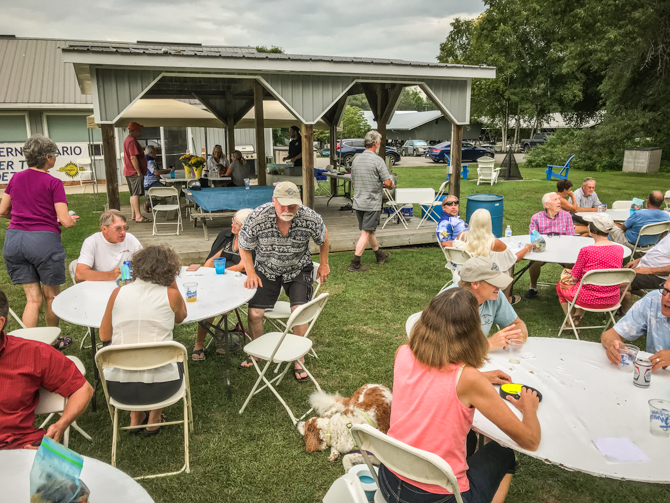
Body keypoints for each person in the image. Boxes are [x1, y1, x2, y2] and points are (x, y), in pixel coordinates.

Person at [381, 288, 540, 503]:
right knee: (503, 452)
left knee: (470, 437)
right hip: (436, 498)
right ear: (472, 331)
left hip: (388, 479)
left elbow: (434, 378)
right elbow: (530, 441)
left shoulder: (403, 352)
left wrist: (478, 377)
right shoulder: (468, 379)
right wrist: (529, 407)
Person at [239, 182, 330, 381]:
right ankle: (258, 351)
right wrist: (251, 272)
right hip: (266, 268)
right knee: (255, 313)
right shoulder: (258, 216)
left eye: (293, 205)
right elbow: (243, 245)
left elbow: (323, 238)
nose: (287, 210)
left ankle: (299, 358)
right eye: (283, 205)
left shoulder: (310, 217)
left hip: (298, 268)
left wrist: (324, 264)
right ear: (274, 201)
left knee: (298, 312)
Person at [99, 245, 187, 436]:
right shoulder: (171, 296)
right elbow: (181, 317)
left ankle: (135, 416)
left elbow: (104, 336)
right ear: (170, 270)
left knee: (133, 350)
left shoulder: (117, 293)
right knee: (164, 357)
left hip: (119, 387)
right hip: (164, 387)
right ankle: (154, 420)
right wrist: (172, 284)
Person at [0, 135, 78, 340]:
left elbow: (3, 210)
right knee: (51, 296)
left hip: (14, 241)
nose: (55, 158)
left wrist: (24, 215)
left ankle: (27, 346)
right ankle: (52, 342)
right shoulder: (53, 182)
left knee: (32, 300)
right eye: (54, 155)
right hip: (43, 242)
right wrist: (69, 219)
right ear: (47, 157)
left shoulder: (16, 178)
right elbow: (66, 220)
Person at [0, 288, 93, 449]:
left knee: (70, 471)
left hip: (21, 446)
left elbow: (83, 389)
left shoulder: (32, 353)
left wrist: (60, 425)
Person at [192, 209, 253, 360]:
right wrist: (205, 275)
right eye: (233, 221)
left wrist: (218, 274)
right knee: (206, 297)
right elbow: (211, 260)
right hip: (219, 278)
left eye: (237, 224)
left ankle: (199, 345)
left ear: (246, 227)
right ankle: (198, 344)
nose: (232, 225)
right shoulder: (226, 235)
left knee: (211, 303)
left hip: (241, 283)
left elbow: (242, 267)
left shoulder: (253, 241)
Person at [447, 208, 532, 304]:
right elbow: (514, 259)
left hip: (460, 276)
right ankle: (505, 301)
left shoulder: (461, 236)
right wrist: (527, 248)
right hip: (482, 281)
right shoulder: (494, 243)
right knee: (509, 265)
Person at [556, 214, 624, 328]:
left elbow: (575, 276)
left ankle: (570, 323)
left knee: (561, 286)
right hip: (612, 298)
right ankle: (577, 317)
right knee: (584, 282)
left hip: (587, 298)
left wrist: (570, 275)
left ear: (591, 230)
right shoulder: (619, 249)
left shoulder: (586, 251)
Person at [455, 256, 528, 351]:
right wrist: (487, 345)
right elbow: (443, 350)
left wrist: (519, 337)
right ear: (475, 284)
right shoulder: (449, 303)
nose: (499, 286)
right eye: (493, 282)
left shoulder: (494, 294)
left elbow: (517, 323)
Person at [601, 276, 670, 373]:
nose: (667, 298)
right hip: (654, 377)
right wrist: (614, 344)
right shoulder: (653, 301)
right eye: (666, 290)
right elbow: (610, 334)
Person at [349, 130, 394, 272]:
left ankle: (379, 255)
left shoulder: (356, 159)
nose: (379, 145)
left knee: (370, 231)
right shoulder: (377, 160)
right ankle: (355, 263)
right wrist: (391, 184)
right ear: (375, 143)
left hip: (358, 202)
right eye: (379, 142)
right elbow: (387, 182)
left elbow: (353, 181)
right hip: (371, 203)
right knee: (366, 233)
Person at [524, 192, 576, 299]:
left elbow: (571, 238)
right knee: (534, 261)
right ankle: (533, 288)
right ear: (547, 205)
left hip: (562, 250)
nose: (559, 202)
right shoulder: (536, 218)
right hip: (543, 251)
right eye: (555, 200)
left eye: (559, 199)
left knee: (573, 263)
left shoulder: (566, 216)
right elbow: (534, 239)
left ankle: (572, 288)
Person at [75, 209, 143, 282]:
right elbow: (80, 275)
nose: (123, 232)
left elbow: (145, 263)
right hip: (100, 286)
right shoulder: (92, 242)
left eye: (125, 227)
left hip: (127, 285)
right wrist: (111, 275)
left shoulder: (130, 239)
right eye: (118, 228)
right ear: (104, 229)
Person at [622, 233, 670, 312]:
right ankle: (643, 295)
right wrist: (639, 260)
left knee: (621, 283)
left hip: (658, 276)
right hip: (644, 267)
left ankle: (628, 316)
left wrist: (648, 270)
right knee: (614, 275)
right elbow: (658, 251)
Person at [123, 122, 151, 223]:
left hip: (129, 171)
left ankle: (134, 214)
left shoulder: (128, 140)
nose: (140, 133)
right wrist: (138, 171)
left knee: (133, 194)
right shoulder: (131, 141)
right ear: (134, 130)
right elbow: (133, 157)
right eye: (139, 131)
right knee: (136, 194)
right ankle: (138, 216)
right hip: (134, 172)